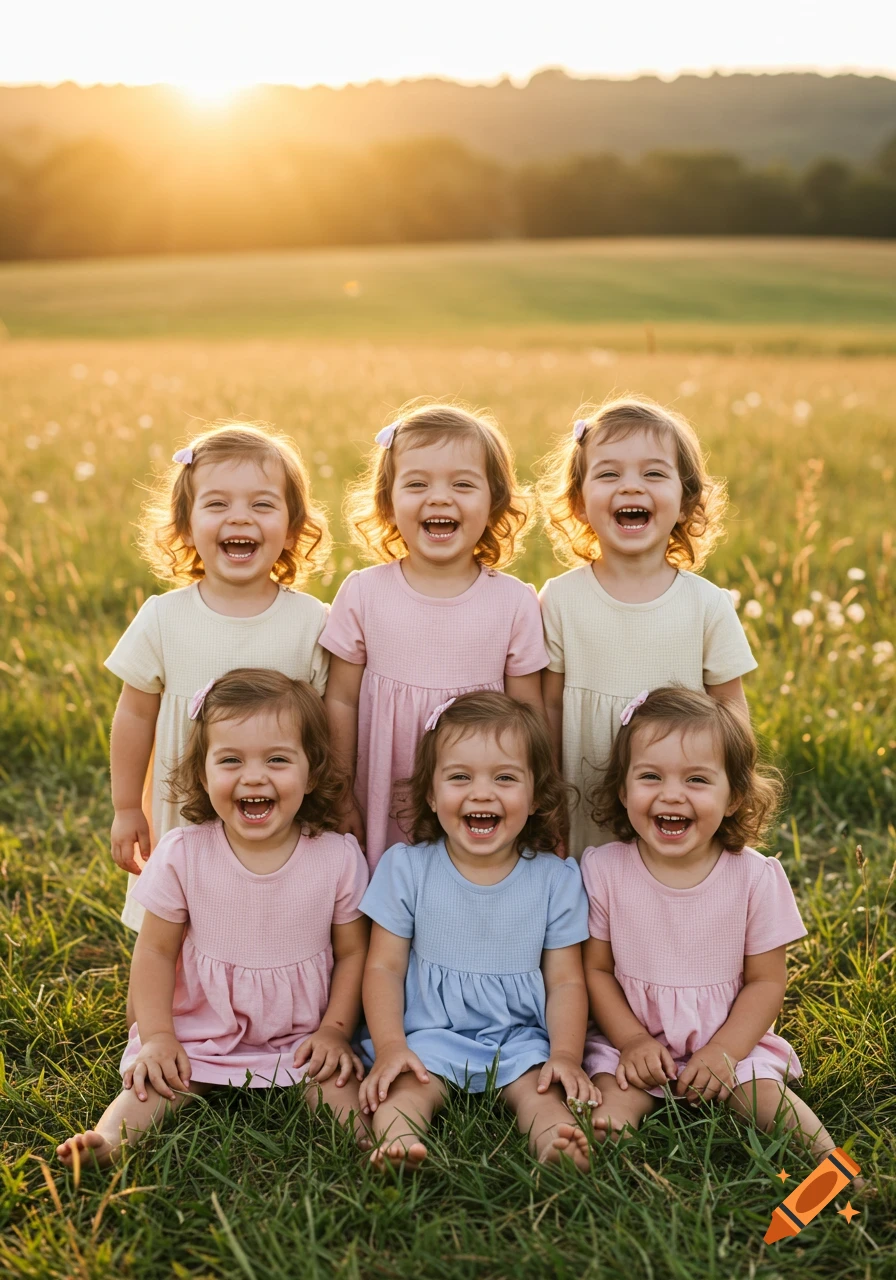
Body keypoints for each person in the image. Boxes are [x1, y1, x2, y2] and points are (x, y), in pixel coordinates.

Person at [57, 671, 369, 1169]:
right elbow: (156, 951)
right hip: (202, 1028)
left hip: (301, 1032)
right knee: (158, 1082)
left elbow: (355, 952)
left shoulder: (336, 856)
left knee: (335, 1082)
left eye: (277, 759)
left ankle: (369, 1146)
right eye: (230, 760)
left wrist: (334, 1030)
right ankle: (108, 1139)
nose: (253, 777)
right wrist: (159, 1036)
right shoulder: (185, 853)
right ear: (203, 775)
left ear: (311, 774)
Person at [580, 686, 836, 1158]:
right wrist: (632, 1040)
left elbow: (766, 982)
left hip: (729, 1042)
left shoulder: (754, 877)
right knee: (611, 1107)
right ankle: (585, 1170)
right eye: (651, 776)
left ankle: (836, 1169)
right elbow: (595, 970)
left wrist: (725, 1053)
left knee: (771, 1104)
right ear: (623, 789)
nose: (671, 794)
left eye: (697, 780)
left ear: (735, 796)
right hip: (633, 1039)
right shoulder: (604, 870)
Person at [105, 422, 331, 933]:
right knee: (177, 917)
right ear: (185, 526)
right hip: (182, 807)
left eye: (262, 504)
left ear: (294, 528)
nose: (240, 518)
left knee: (264, 919)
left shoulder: (313, 622)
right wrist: (125, 808)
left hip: (272, 807)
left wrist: (330, 804)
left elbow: (328, 729)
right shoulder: (164, 617)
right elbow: (135, 714)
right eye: (217, 504)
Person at [358, 692, 597, 1170]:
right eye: (459, 777)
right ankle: (399, 1144)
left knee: (539, 1091)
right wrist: (390, 1046)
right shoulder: (407, 869)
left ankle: (554, 1144)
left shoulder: (555, 879)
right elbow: (383, 967)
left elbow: (567, 980)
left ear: (534, 798)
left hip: (521, 1037)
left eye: (505, 778)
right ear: (430, 793)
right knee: (407, 1087)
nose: (481, 793)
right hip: (428, 1032)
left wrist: (566, 1055)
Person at [321, 402, 547, 869]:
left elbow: (530, 716)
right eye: (417, 484)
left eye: (462, 484)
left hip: (478, 797)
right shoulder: (363, 593)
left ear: (495, 502)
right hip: (383, 789)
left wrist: (537, 803)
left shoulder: (513, 602)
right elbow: (340, 700)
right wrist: (341, 793)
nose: (439, 498)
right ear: (388, 502)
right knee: (382, 902)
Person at [537, 396, 756, 855]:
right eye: (609, 474)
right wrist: (547, 792)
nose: (631, 487)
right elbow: (550, 708)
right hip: (583, 792)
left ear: (684, 503)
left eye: (653, 474)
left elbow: (732, 710)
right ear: (578, 503)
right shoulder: (560, 599)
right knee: (592, 901)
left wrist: (730, 786)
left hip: (675, 795)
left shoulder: (706, 605)